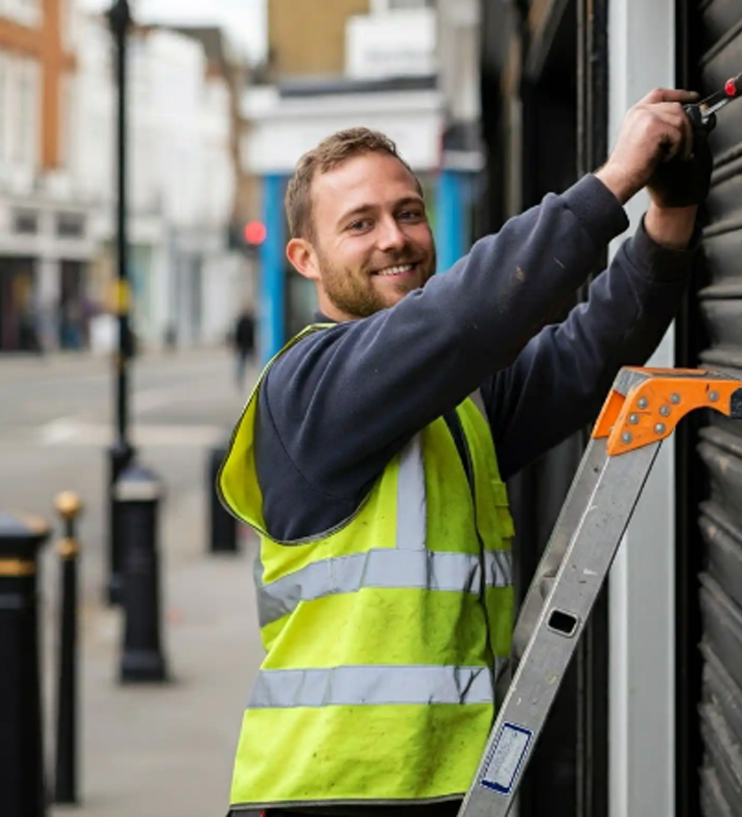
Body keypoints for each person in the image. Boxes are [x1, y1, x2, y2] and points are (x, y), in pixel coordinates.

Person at [219, 88, 712, 816]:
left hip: (446, 786)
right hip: (332, 793)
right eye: (359, 224)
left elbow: (582, 357)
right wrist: (615, 180)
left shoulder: (452, 400)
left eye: (408, 213)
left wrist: (668, 221)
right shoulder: (312, 386)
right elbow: (464, 316)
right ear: (305, 258)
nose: (395, 238)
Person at [233, 308, 257, 387]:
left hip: (244, 347)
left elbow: (237, 335)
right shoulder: (249, 322)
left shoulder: (244, 322)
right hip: (246, 346)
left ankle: (242, 380)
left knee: (243, 365)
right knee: (244, 365)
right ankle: (243, 381)